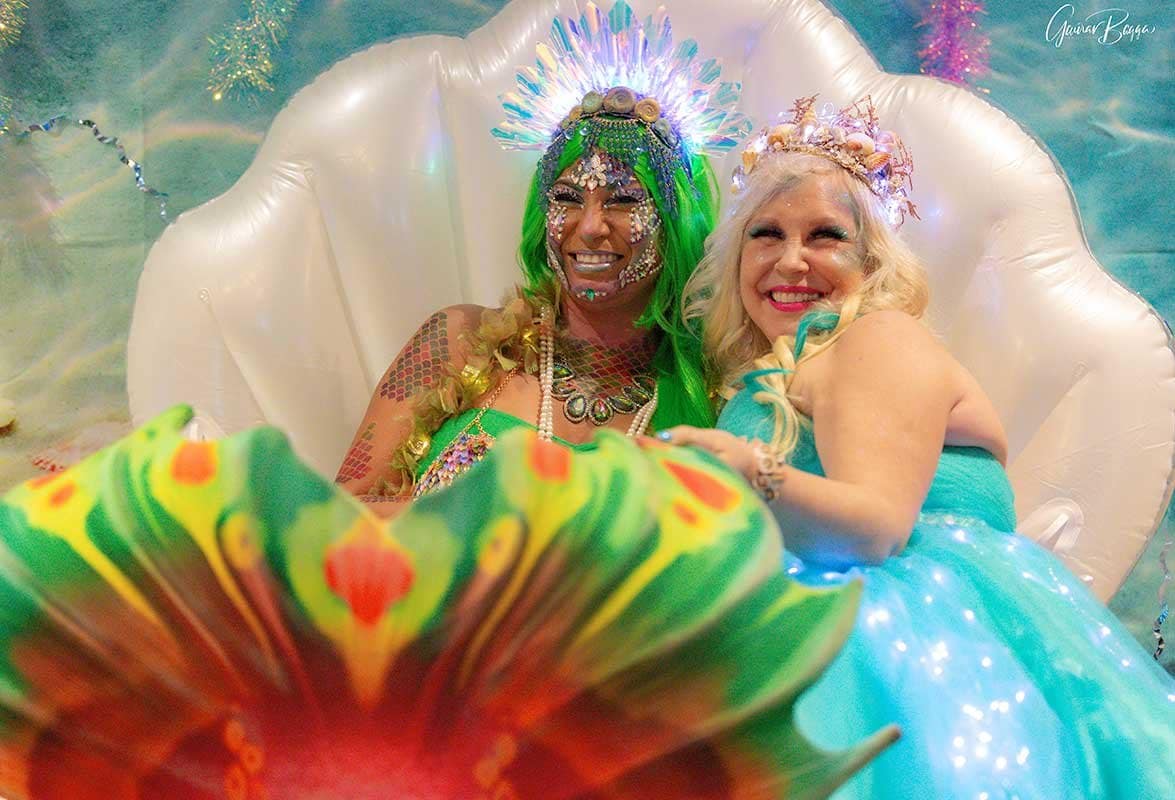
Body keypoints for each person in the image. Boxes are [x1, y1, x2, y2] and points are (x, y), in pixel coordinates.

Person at [665, 95, 1175, 798]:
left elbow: (874, 529)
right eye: (766, 234)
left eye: (824, 236)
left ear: (872, 261)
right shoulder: (768, 377)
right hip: (792, 643)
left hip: (907, 661)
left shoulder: (877, 338)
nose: (791, 261)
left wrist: (746, 471)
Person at [332, 2, 757, 518]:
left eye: (624, 200)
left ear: (675, 222)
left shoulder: (716, 396)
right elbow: (335, 516)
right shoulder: (455, 340)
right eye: (568, 199)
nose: (591, 226)